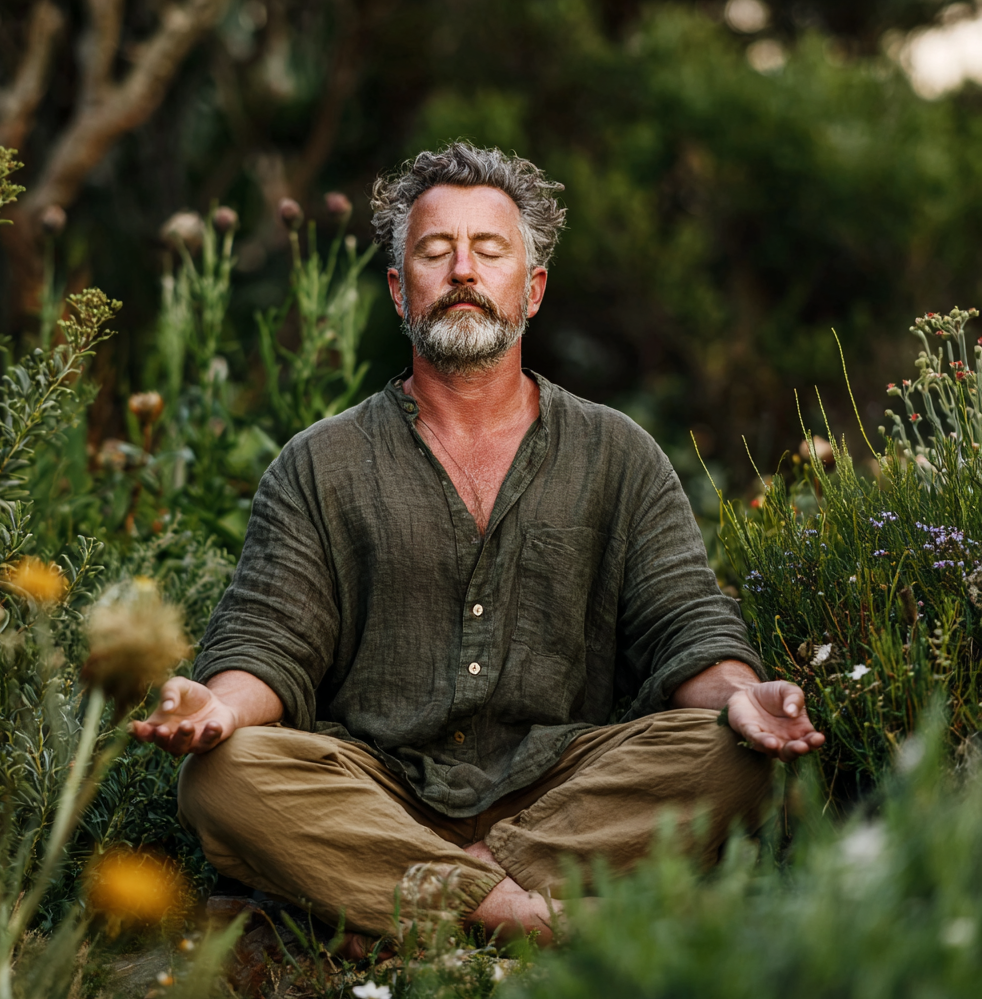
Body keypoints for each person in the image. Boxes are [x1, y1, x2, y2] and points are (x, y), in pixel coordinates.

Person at [132, 143, 825, 955]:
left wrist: (740, 695)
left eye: (488, 250)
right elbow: (267, 639)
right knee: (221, 778)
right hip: (373, 792)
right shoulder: (319, 462)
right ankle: (522, 917)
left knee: (732, 755)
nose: (462, 269)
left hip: (567, 794)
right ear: (400, 288)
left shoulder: (618, 452)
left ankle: (383, 913)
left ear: (530, 290)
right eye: (435, 251)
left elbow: (686, 623)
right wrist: (219, 708)